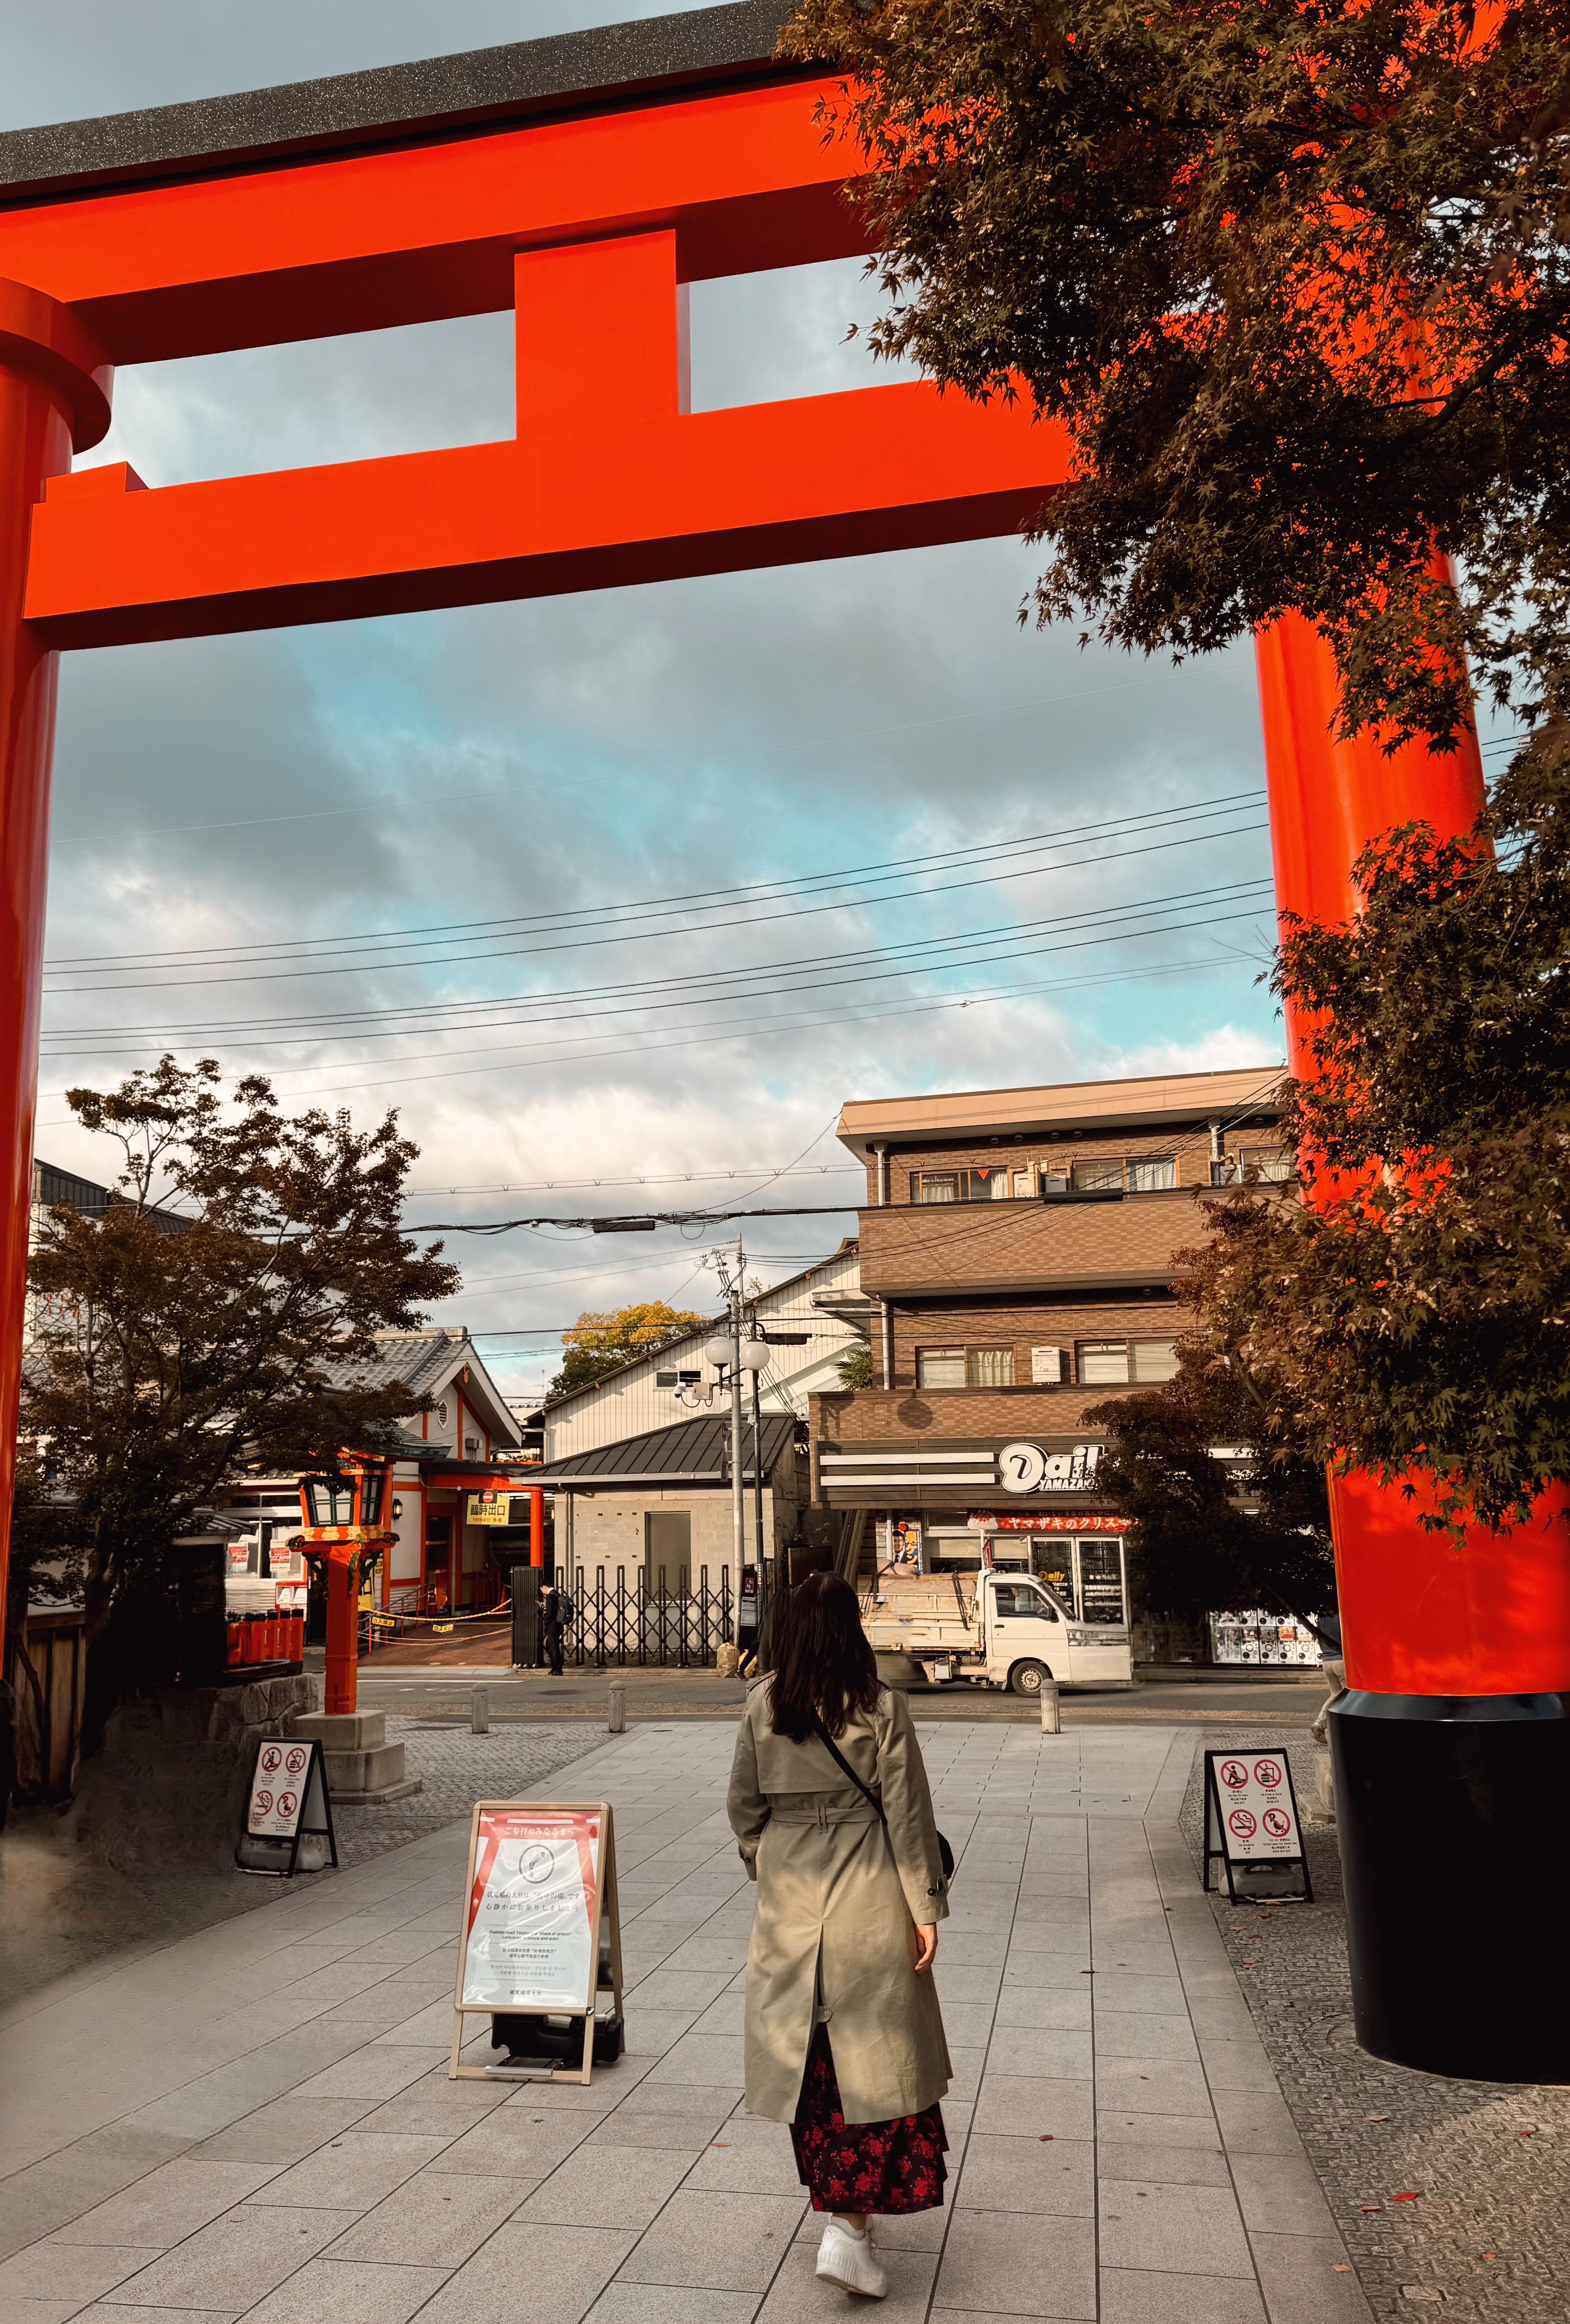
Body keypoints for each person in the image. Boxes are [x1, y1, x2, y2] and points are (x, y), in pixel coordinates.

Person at [727, 1571, 951, 2300]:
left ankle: (842, 2216)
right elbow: (909, 1816)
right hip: (869, 1893)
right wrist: (924, 1907)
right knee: (874, 2062)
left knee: (811, 2063)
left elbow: (744, 1808)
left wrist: (769, 1860)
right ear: (852, 1627)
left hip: (790, 1901)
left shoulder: (763, 1701)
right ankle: (849, 2228)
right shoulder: (881, 1705)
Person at [541, 1580, 573, 1676]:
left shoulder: (550, 1596)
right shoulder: (557, 1595)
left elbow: (550, 1613)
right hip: (558, 1625)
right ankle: (556, 1666)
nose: (543, 1592)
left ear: (545, 1587)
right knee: (551, 1645)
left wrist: (545, 1617)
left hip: (553, 1626)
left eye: (542, 1589)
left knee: (553, 1647)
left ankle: (557, 1668)